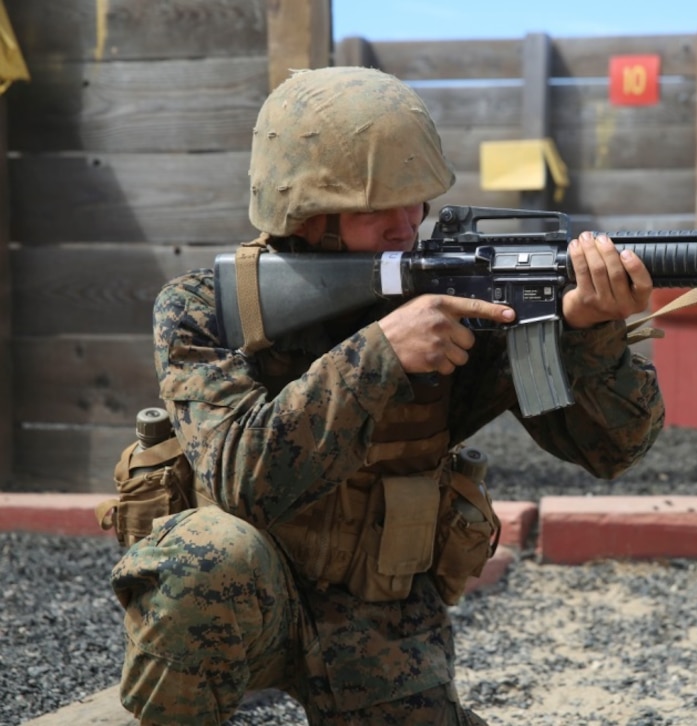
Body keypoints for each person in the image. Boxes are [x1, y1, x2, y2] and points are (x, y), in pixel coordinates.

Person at [109, 66, 665, 725]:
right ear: (304, 209)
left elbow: (612, 452)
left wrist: (587, 333)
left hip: (380, 622)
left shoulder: (455, 296)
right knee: (206, 554)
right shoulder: (203, 308)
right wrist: (380, 353)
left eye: (417, 201)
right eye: (377, 206)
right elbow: (241, 478)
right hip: (247, 601)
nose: (406, 224)